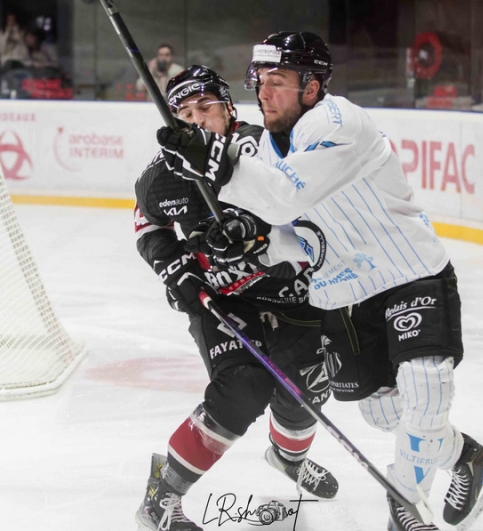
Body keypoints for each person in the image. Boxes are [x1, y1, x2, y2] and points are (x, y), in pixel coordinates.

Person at [156, 32, 483, 531]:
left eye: (278, 82)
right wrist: (253, 242)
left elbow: (285, 198)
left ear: (312, 85)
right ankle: (468, 459)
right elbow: (302, 234)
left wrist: (219, 162)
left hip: (407, 272)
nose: (264, 93)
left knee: (427, 392)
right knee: (386, 416)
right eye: (260, 82)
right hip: (343, 293)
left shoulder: (337, 122)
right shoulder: (272, 143)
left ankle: (406, 507)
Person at [134, 65, 338, 531]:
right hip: (221, 300)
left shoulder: (264, 150)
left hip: (290, 292)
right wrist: (176, 270)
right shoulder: (161, 177)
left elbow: (309, 206)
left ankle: (288, 458)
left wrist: (258, 231)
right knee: (242, 388)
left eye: (205, 108)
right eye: (185, 114)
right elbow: (148, 224)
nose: (197, 120)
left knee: (304, 389)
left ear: (228, 109)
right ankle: (160, 497)